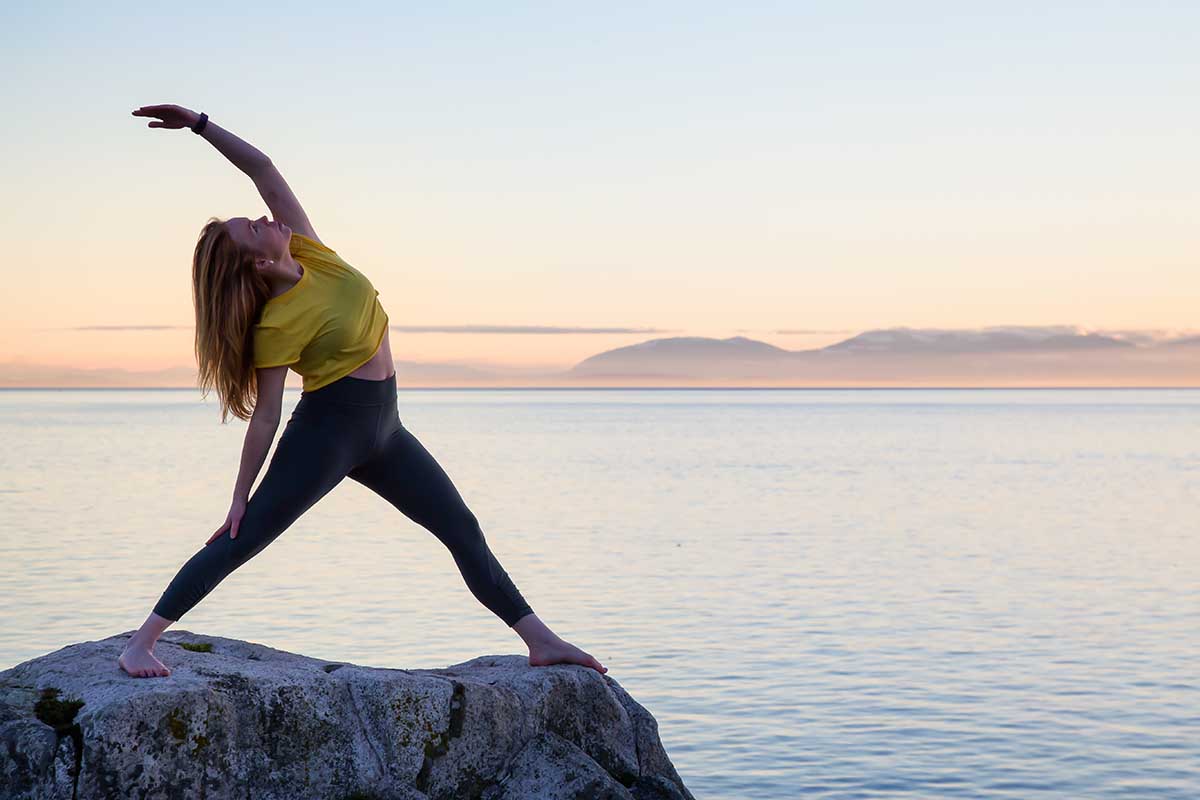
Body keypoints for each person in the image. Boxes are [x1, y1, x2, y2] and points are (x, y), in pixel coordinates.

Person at [118, 104, 606, 679]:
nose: (262, 218)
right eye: (251, 227)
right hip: (329, 433)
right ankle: (140, 643)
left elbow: (264, 169)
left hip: (387, 430)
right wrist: (239, 495)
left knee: (462, 528)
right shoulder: (275, 324)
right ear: (253, 263)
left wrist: (200, 125)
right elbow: (267, 416)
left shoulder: (307, 250)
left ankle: (540, 640)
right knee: (241, 539)